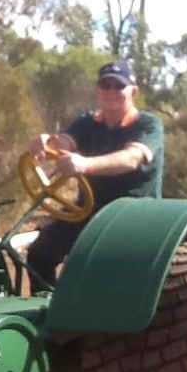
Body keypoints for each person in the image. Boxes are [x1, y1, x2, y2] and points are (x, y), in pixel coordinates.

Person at [25, 59, 164, 291]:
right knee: (39, 254)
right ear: (98, 90)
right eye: (105, 85)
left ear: (134, 91)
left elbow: (131, 158)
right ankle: (48, 310)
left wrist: (86, 164)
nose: (111, 91)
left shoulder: (149, 124)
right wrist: (45, 142)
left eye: (118, 86)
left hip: (134, 217)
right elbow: (64, 143)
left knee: (84, 268)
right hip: (87, 211)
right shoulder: (88, 122)